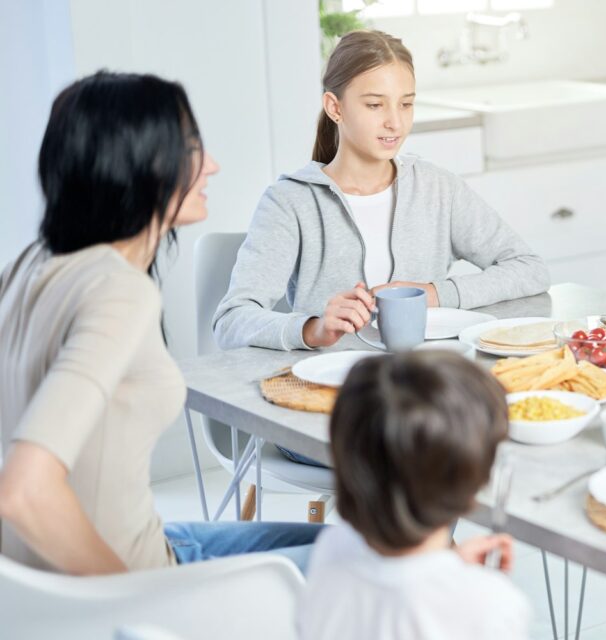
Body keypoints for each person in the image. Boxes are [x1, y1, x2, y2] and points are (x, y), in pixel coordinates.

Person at [0, 72, 322, 576]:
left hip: (69, 570)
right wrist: (139, 596)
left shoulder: (30, 263)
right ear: (139, 162)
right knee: (393, 560)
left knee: (349, 543)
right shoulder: (117, 291)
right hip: (132, 579)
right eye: (191, 148)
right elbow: (23, 492)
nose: (211, 165)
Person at [213, 29, 548, 353]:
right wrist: (313, 328)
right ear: (335, 107)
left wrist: (433, 294)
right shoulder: (291, 202)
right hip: (334, 389)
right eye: (375, 105)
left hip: (424, 381)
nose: (395, 123)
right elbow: (232, 320)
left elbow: (529, 269)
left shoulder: (437, 189)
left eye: (405, 105)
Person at [298, 351, 530, 639]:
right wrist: (476, 584)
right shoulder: (493, 604)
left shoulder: (331, 550)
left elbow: (396, 588)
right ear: (474, 483)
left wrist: (452, 566)